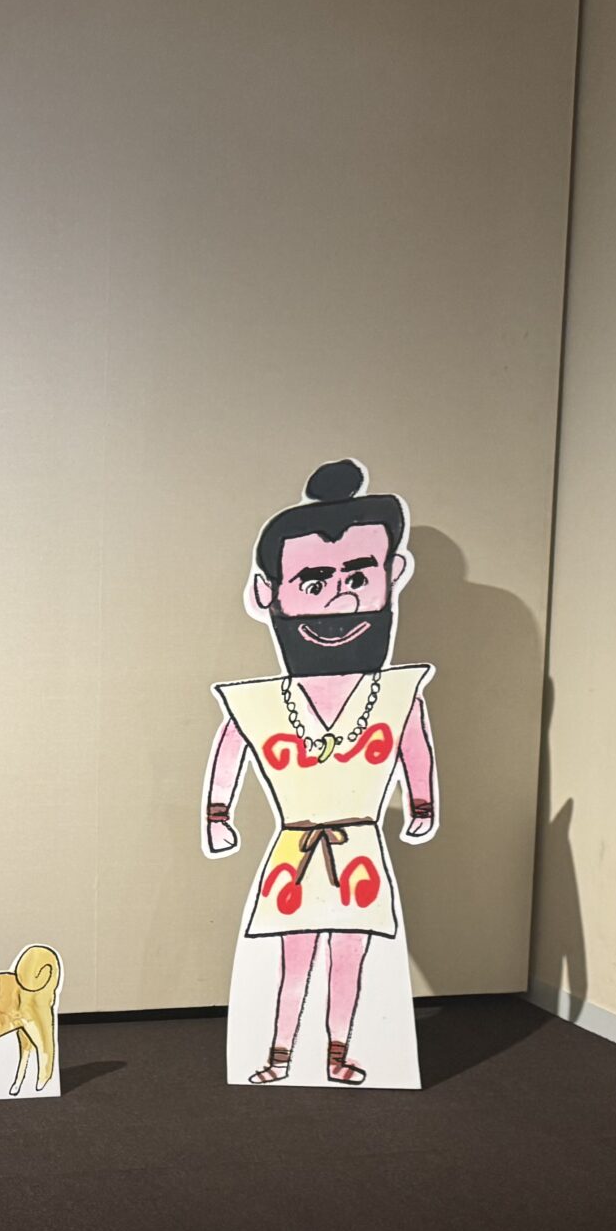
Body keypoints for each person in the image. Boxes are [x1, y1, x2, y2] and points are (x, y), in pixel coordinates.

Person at [201, 460, 439, 1084]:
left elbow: (413, 745)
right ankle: (280, 1054)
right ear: (269, 594)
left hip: (359, 847)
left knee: (349, 958)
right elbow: (233, 743)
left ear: (394, 575)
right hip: (296, 851)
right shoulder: (261, 703)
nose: (340, 598)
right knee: (295, 959)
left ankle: (337, 1053)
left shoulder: (396, 694)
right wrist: (219, 813)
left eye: (358, 576)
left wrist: (421, 805)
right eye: (313, 582)